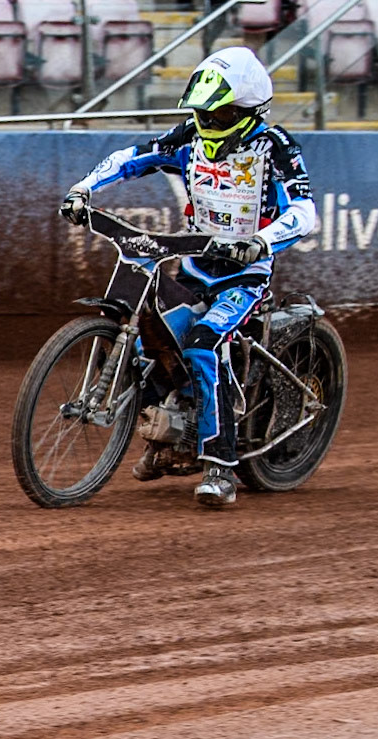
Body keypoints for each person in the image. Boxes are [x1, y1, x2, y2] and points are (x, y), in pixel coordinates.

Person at [59, 46, 315, 507]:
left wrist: (262, 241)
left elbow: (304, 209)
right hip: (195, 267)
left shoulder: (276, 146)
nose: (206, 123)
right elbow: (133, 156)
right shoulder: (190, 139)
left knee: (201, 345)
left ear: (244, 111)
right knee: (145, 344)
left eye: (216, 115)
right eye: (200, 113)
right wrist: (84, 188)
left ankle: (220, 466)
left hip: (245, 277)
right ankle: (168, 439)